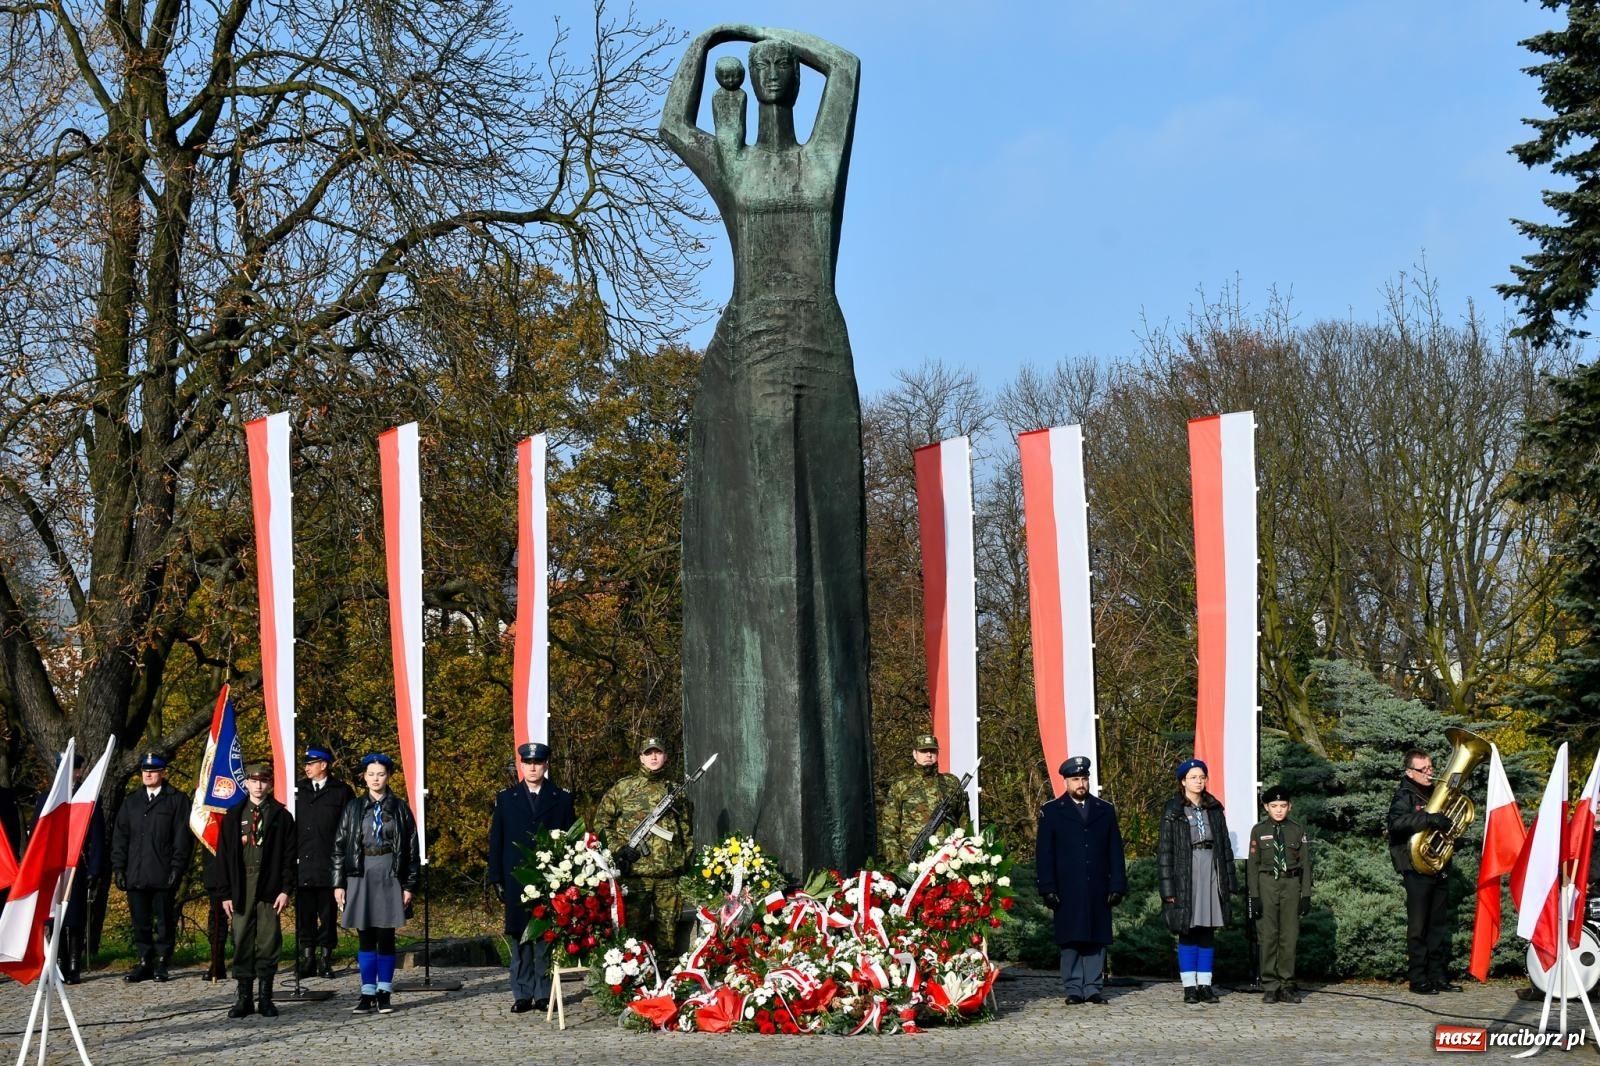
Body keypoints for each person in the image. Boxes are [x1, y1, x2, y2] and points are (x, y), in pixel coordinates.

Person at [488, 742, 576, 1014]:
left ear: (546, 765)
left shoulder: (561, 798)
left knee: (545, 937)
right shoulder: (506, 798)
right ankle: (522, 993)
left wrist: (569, 879)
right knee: (520, 938)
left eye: (538, 763)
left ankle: (543, 993)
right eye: (528, 763)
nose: (533, 767)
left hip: (549, 878)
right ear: (520, 766)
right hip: (516, 878)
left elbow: (570, 840)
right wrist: (496, 879)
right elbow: (497, 840)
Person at [1035, 756, 1128, 1006]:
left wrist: (1117, 884)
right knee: (1071, 938)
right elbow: (1044, 854)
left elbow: (1115, 851)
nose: (1081, 783)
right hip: (1068, 886)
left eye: (1084, 778)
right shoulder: (1052, 811)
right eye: (1075, 779)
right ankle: (1074, 986)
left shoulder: (1104, 810)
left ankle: (1093, 987)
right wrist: (1047, 887)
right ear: (1065, 781)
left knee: (1096, 938)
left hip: (1098, 884)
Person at [332, 753, 419, 1015]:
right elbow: (339, 847)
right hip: (360, 874)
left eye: (380, 774)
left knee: (385, 935)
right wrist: (338, 883)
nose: (375, 779)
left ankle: (385, 991)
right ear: (364, 777)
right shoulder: (353, 808)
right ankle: (367, 990)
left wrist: (409, 885)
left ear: (389, 776)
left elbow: (412, 849)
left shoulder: (400, 808)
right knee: (365, 934)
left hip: (389, 873)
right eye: (371, 774)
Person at [594, 738, 692, 954]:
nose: (653, 757)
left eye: (658, 753)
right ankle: (637, 981)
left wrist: (683, 860)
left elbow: (686, 829)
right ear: (641, 757)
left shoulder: (675, 791)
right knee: (633, 938)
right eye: (649, 753)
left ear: (665, 757)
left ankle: (667, 981)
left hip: (668, 876)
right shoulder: (623, 788)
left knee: (668, 936)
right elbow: (601, 823)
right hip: (636, 876)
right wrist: (619, 848)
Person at [215, 763, 296, 1018]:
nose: (259, 785)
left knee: (268, 940)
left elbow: (288, 856)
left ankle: (266, 997)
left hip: (269, 885)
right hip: (242, 885)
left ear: (270, 783)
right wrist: (225, 892)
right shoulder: (234, 815)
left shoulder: (281, 817)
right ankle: (244, 998)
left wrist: (285, 889)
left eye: (264, 781)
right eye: (254, 780)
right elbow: (224, 857)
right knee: (241, 939)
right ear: (246, 783)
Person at [1157, 757, 1236, 1004]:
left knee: (1207, 931)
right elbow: (1165, 852)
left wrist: (1230, 882)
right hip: (1185, 872)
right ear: (1183, 781)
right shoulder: (1173, 810)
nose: (1198, 781)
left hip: (1211, 869)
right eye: (1193, 777)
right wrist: (1168, 888)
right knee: (1188, 930)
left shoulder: (1214, 808)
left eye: (1202, 777)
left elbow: (1225, 847)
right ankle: (1189, 987)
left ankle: (1205, 985)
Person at [111, 751, 193, 983]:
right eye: (145, 771)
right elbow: (121, 837)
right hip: (135, 871)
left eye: (153, 771)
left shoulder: (176, 799)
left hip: (162, 870)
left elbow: (182, 838)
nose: (148, 774)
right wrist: (119, 868)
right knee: (140, 921)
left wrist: (177, 869)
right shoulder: (132, 801)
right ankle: (145, 960)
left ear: (163, 773)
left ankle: (162, 961)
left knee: (164, 920)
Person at [1386, 747, 1458, 995]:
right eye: (1423, 769)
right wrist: (1429, 818)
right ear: (1410, 772)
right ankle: (1418, 979)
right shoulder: (1404, 795)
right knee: (1418, 926)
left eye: (1430, 767)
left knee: (1437, 924)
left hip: (1438, 865)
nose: (1429, 773)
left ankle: (1437, 976)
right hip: (1415, 867)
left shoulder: (1438, 791)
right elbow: (1395, 824)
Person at [36, 753, 108, 984]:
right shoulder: (46, 799)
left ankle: (75, 964)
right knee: (54, 917)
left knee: (74, 917)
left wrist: (95, 869)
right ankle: (59, 961)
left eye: (73, 770)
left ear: (78, 772)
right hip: (51, 866)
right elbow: (37, 834)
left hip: (77, 864)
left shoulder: (87, 798)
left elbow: (97, 838)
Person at [1246, 784, 1313, 1004]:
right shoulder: (1259, 830)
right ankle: (1270, 984)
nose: (1278, 810)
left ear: (1289, 807)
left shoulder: (1297, 829)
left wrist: (1305, 895)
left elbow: (1305, 864)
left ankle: (1287, 984)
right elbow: (1253, 866)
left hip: (1291, 883)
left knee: (1289, 936)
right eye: (1273, 806)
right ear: (1266, 807)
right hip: (1267, 883)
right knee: (1268, 936)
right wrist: (1254, 896)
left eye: (1283, 805)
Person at [295, 744, 354, 978]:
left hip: (329, 864)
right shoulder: (297, 789)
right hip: (303, 863)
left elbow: (348, 829)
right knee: (304, 914)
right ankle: (307, 957)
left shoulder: (341, 791)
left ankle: (325, 958)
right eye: (306, 764)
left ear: (324, 765)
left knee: (328, 915)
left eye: (311, 764)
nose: (307, 768)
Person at [878, 734, 967, 871]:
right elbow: (890, 829)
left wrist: (964, 855)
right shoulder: (901, 785)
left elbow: (963, 822)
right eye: (924, 751)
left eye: (932, 751)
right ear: (915, 754)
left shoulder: (951, 783)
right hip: (913, 863)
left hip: (949, 861)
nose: (929, 755)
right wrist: (897, 866)